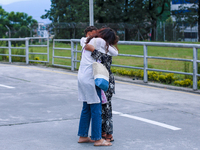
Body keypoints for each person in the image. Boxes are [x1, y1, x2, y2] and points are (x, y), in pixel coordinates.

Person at [77, 27, 118, 146]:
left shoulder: (86, 41)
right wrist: (105, 44)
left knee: (86, 108)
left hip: (81, 76)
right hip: (91, 78)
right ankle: (97, 138)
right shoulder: (100, 42)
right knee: (96, 108)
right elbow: (115, 52)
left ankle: (83, 136)